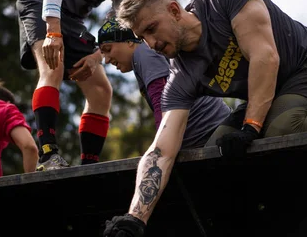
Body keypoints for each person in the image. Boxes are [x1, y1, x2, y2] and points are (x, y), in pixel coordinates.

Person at [102, 0, 307, 237]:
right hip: (272, 93)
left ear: (175, 10)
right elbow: (161, 151)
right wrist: (134, 222)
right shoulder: (181, 76)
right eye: (143, 37)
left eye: (152, 29)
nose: (151, 43)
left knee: (281, 128)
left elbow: (266, 57)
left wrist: (251, 128)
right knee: (212, 155)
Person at [16, 0, 174, 171]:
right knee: (52, 67)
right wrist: (53, 31)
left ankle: (88, 166)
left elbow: (119, 21)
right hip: (39, 0)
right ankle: (48, 155)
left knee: (101, 90)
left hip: (74, 19)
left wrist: (98, 53)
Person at [97, 19, 231, 148]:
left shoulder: (143, 53)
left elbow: (161, 103)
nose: (107, 60)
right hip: (207, 134)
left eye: (108, 49)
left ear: (129, 41)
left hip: (211, 134)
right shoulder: (142, 56)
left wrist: (159, 149)